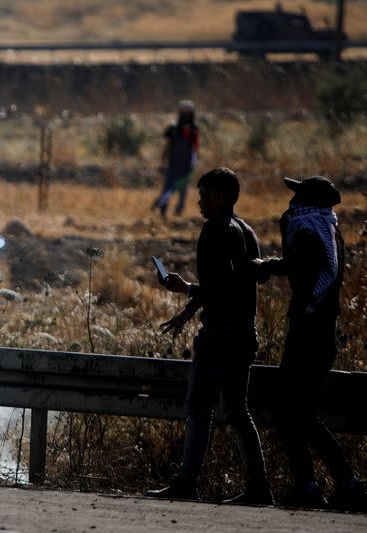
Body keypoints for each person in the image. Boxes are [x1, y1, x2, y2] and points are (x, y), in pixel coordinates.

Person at [146, 167, 272, 505]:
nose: (199, 201)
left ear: (219, 196)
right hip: (244, 332)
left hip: (218, 334)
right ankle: (259, 488)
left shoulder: (213, 230)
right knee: (237, 410)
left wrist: (186, 291)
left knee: (199, 406)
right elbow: (233, 286)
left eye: (204, 195)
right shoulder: (246, 231)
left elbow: (217, 289)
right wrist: (186, 311)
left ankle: (187, 482)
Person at [255, 176, 366, 510]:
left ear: (309, 201)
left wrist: (268, 265)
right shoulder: (327, 228)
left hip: (309, 331)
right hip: (319, 330)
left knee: (291, 411)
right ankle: (332, 482)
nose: (291, 202)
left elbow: (302, 267)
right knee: (297, 411)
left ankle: (327, 482)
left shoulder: (306, 229)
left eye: (298, 196)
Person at [152, 100, 199, 218]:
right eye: (183, 112)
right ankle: (162, 209)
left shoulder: (194, 129)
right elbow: (167, 146)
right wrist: (163, 161)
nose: (185, 116)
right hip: (173, 163)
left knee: (182, 188)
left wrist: (194, 163)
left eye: (187, 113)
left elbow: (195, 148)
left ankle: (179, 212)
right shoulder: (173, 127)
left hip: (186, 164)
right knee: (168, 187)